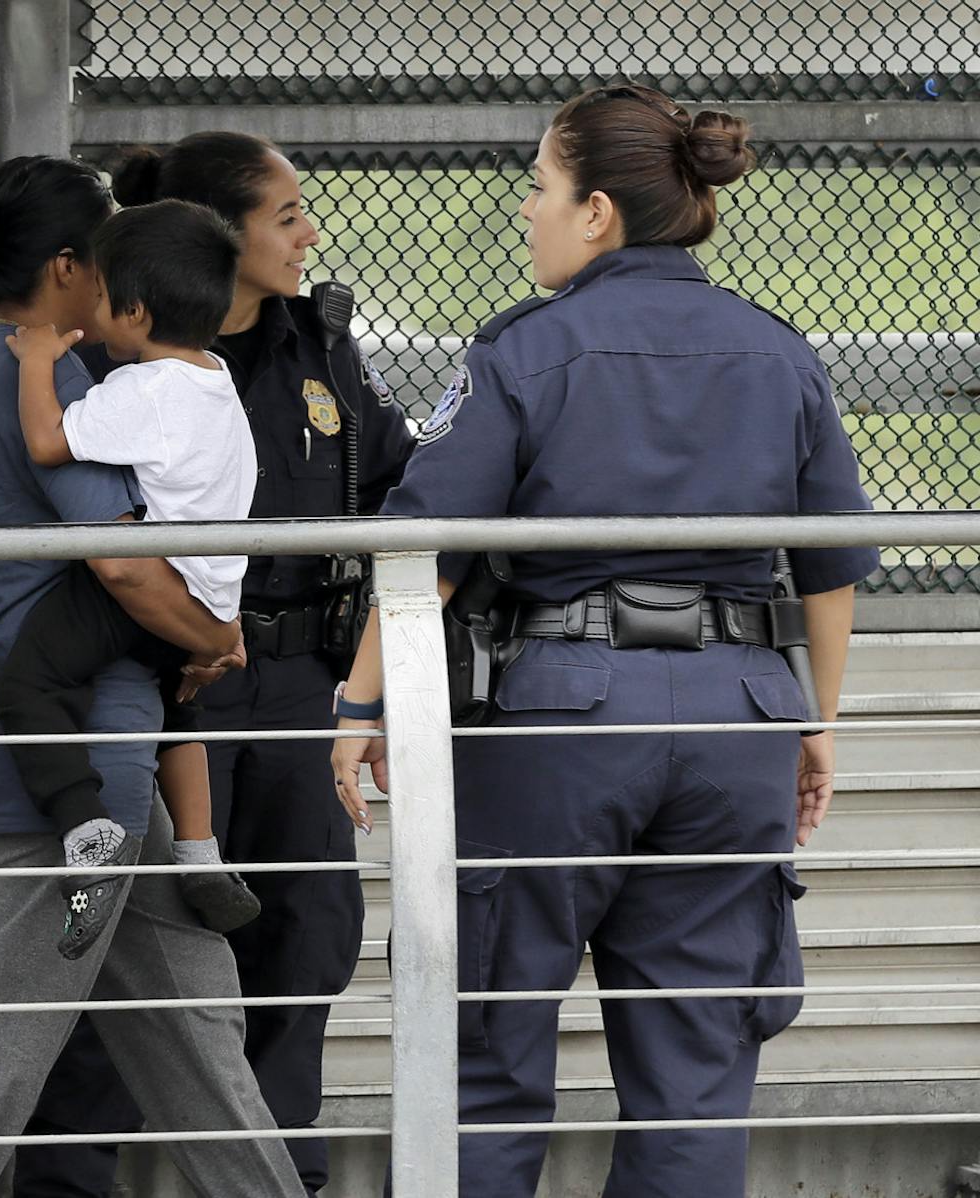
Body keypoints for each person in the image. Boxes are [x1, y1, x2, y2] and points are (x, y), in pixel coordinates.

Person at [327, 84, 878, 1196]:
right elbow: (830, 564)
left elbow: (426, 548)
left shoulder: (527, 350)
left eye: (540, 187)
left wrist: (359, 706)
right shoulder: (778, 351)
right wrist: (813, 721)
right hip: (742, 715)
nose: (526, 210)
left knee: (488, 1042)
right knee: (698, 1068)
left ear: (597, 214)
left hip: (560, 720)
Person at [0, 154, 306, 1198]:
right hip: (72, 766)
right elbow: (119, 560)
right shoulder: (55, 380)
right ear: (70, 269)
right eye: (110, 246)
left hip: (88, 762)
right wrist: (212, 636)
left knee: (191, 1023)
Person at [18, 131, 417, 1198]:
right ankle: (69, 1182)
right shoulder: (122, 352)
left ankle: (280, 1174)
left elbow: (397, 484)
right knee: (134, 939)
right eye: (287, 215)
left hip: (297, 681)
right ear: (218, 233)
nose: (308, 233)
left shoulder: (322, 347)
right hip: (161, 674)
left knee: (305, 935)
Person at [0, 198, 263, 957]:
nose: (96, 310)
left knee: (31, 685)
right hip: (211, 592)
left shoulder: (142, 391)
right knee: (177, 711)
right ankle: (200, 852)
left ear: (136, 313)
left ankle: (86, 828)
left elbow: (49, 442)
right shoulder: (218, 378)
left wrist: (40, 361)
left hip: (149, 587)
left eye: (106, 298)